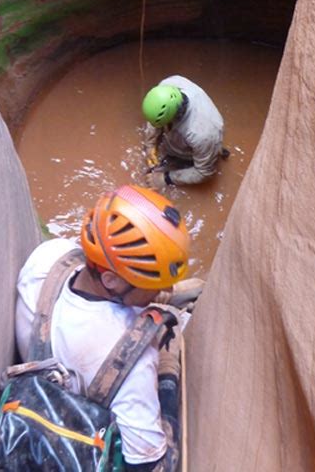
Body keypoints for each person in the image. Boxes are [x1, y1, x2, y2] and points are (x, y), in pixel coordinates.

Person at [16, 183, 190, 470]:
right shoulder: (132, 361)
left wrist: (147, 291)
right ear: (111, 280)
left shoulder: (48, 257)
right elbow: (148, 463)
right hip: (82, 424)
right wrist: (167, 376)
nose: (167, 288)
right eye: (154, 285)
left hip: (36, 381)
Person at [142, 75, 227, 188]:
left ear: (173, 117)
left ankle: (211, 152)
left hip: (201, 145)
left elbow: (204, 173)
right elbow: (155, 120)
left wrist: (165, 179)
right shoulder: (167, 86)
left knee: (201, 157)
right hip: (193, 138)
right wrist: (150, 145)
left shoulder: (202, 133)